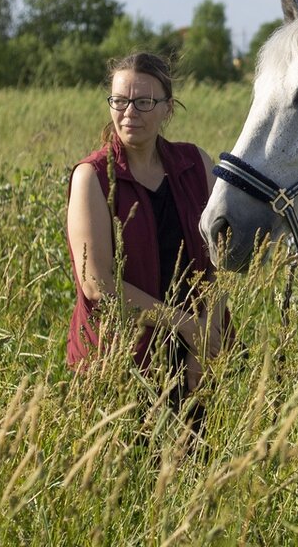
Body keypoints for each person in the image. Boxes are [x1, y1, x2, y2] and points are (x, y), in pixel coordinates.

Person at [65, 52, 230, 415]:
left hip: (205, 352)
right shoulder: (92, 177)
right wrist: (186, 325)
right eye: (120, 101)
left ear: (167, 108)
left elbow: (220, 260)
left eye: (143, 102)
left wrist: (206, 340)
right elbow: (97, 284)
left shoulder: (195, 164)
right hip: (125, 365)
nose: (129, 112)